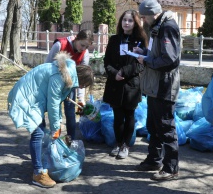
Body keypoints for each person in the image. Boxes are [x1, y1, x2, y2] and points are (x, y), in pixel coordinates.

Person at [8, 52, 94, 188]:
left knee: (40, 132)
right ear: (81, 79)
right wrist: (55, 127)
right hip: (27, 99)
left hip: (34, 99)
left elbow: (56, 102)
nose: (81, 88)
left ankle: (39, 166)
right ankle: (38, 173)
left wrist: (57, 124)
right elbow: (53, 104)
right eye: (83, 85)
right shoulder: (60, 77)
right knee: (38, 134)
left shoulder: (66, 74)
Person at [134, 0, 181, 181]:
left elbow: (169, 60)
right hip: (155, 85)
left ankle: (171, 168)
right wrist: (144, 53)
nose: (144, 21)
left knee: (165, 127)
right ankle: (154, 160)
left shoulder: (167, 27)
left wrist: (147, 61)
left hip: (164, 86)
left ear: (154, 13)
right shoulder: (158, 27)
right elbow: (158, 54)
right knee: (153, 126)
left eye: (144, 17)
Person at [103, 10, 148, 159]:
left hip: (131, 85)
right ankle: (117, 143)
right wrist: (114, 73)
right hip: (115, 83)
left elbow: (141, 64)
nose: (126, 23)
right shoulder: (114, 40)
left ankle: (125, 145)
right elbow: (107, 61)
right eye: (124, 20)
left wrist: (124, 71)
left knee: (129, 116)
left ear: (135, 23)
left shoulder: (139, 41)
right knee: (117, 116)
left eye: (130, 20)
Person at [45, 29, 93, 140]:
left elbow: (82, 78)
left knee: (70, 113)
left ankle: (70, 140)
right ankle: (54, 139)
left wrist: (81, 98)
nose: (83, 49)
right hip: (54, 84)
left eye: (86, 47)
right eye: (82, 45)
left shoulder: (85, 54)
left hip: (70, 86)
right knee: (55, 112)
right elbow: (46, 65)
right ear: (77, 38)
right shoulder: (60, 45)